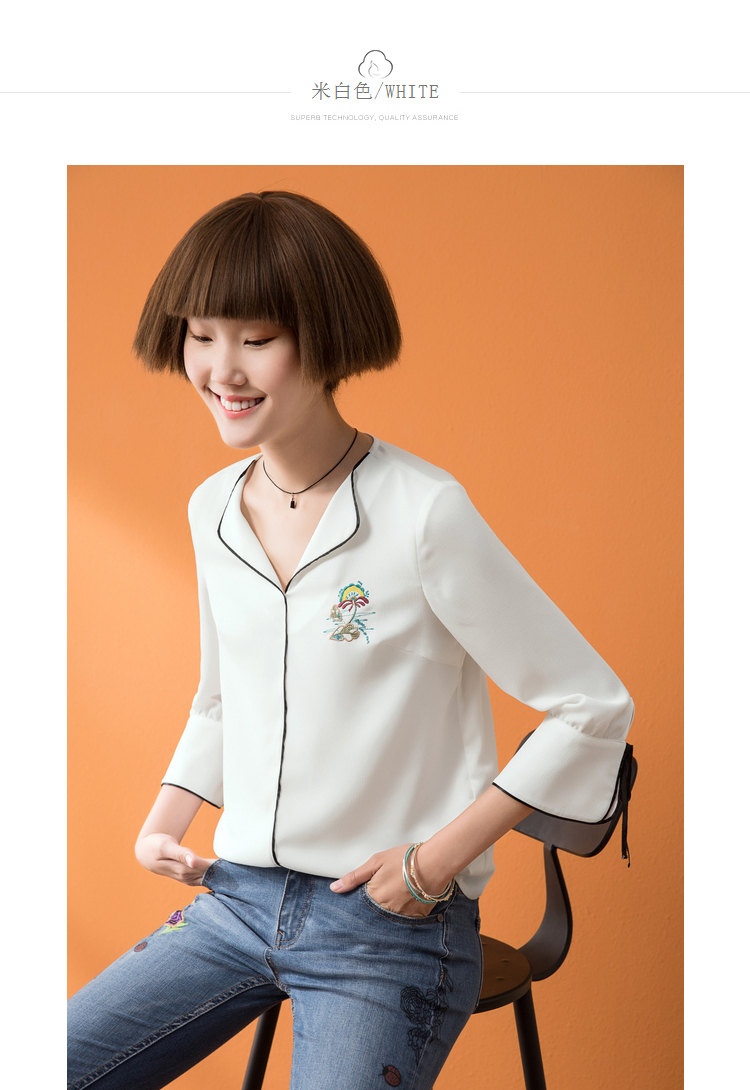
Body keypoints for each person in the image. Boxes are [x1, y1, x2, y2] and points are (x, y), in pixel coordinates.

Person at [67, 191, 634, 1090]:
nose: (221, 369)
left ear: (326, 340)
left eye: (256, 339)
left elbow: (592, 706)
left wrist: (432, 864)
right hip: (236, 901)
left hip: (388, 925)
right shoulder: (213, 508)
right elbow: (222, 696)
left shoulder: (423, 510)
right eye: (201, 335)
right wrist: (164, 820)